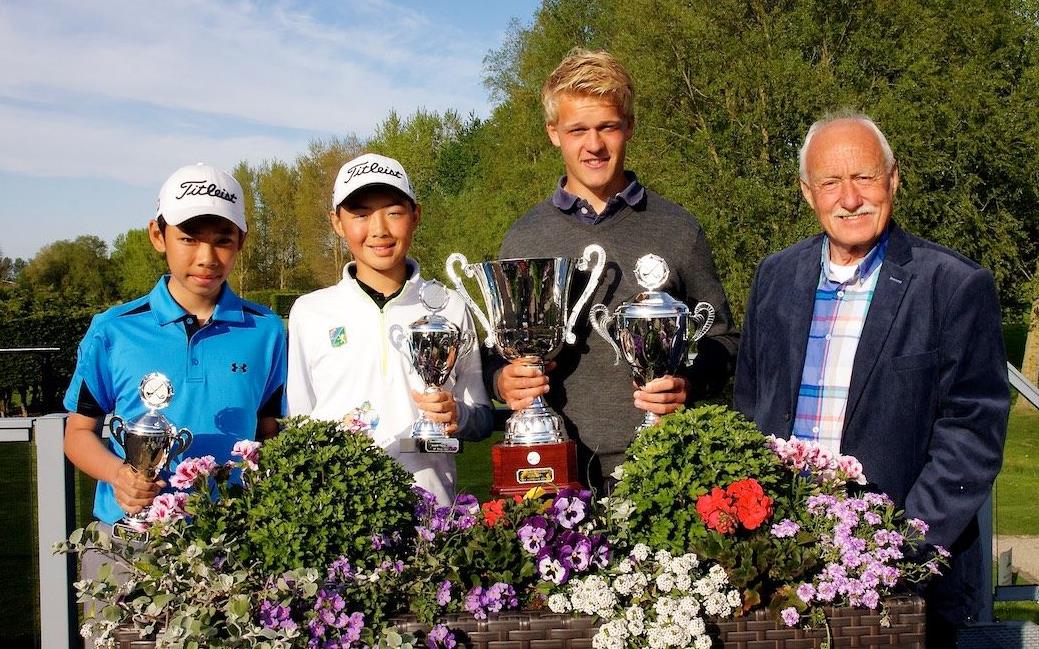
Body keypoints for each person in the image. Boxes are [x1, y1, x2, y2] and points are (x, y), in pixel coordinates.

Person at [733, 112, 1010, 645]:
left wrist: (897, 548)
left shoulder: (954, 285)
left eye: (864, 177)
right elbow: (750, 406)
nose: (850, 198)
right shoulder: (774, 277)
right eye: (830, 182)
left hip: (901, 581)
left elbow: (972, 434)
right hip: (781, 564)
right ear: (808, 192)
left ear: (893, 179)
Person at [490, 49, 739, 491]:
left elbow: (725, 339)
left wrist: (689, 381)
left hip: (661, 468)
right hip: (549, 472)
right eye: (577, 130)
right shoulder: (523, 239)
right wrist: (501, 381)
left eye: (607, 126)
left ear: (629, 127)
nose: (594, 145)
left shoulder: (678, 229)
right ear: (553, 133)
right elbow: (498, 349)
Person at [63, 163, 287, 641]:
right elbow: (78, 433)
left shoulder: (267, 331)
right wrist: (119, 475)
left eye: (222, 239)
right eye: (188, 238)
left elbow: (271, 431)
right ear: (157, 235)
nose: (206, 256)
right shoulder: (113, 329)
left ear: (241, 242)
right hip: (130, 545)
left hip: (236, 545)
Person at [287, 153, 492, 505]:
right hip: (339, 514)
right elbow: (299, 423)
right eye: (361, 214)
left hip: (430, 514)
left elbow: (483, 418)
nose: (379, 229)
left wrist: (458, 415)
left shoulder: (450, 306)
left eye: (394, 212)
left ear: (416, 216)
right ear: (337, 222)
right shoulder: (310, 312)